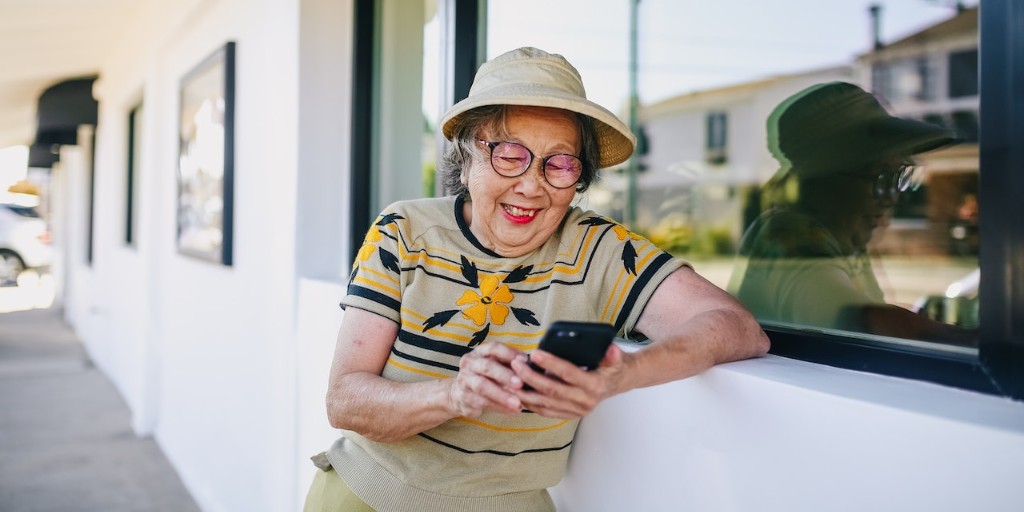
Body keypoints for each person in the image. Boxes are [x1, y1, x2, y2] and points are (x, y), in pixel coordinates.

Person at [304, 47, 770, 512]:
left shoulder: (599, 250)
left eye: (560, 164)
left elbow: (737, 327)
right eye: (509, 154)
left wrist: (625, 374)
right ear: (467, 158)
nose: (532, 185)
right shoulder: (404, 231)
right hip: (364, 496)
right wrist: (454, 394)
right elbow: (345, 401)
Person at [727, 81, 976, 346]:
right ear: (824, 182)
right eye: (881, 177)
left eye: (900, 176)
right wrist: (974, 345)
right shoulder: (792, 237)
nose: (892, 197)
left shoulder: (840, 242)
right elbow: (861, 320)